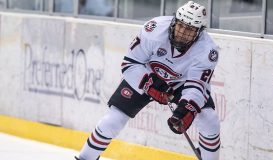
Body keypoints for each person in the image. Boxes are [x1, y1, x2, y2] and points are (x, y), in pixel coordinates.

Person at [75, 1, 221, 160]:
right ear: (174, 22)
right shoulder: (154, 29)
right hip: (146, 74)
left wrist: (187, 107)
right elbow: (130, 64)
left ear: (199, 32)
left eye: (190, 30)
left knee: (209, 120)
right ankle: (85, 158)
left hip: (181, 84)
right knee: (113, 120)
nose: (182, 32)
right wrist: (148, 84)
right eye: (180, 26)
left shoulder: (207, 50)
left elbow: (197, 86)